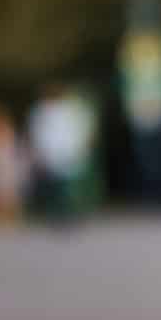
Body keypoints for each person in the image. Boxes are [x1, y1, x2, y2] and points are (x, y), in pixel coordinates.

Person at [28, 84, 94, 226]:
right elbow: (38, 134)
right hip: (52, 154)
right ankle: (57, 215)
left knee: (66, 187)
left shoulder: (70, 110)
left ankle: (69, 214)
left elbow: (79, 131)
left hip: (68, 153)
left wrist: (80, 148)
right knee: (55, 187)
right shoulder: (41, 111)